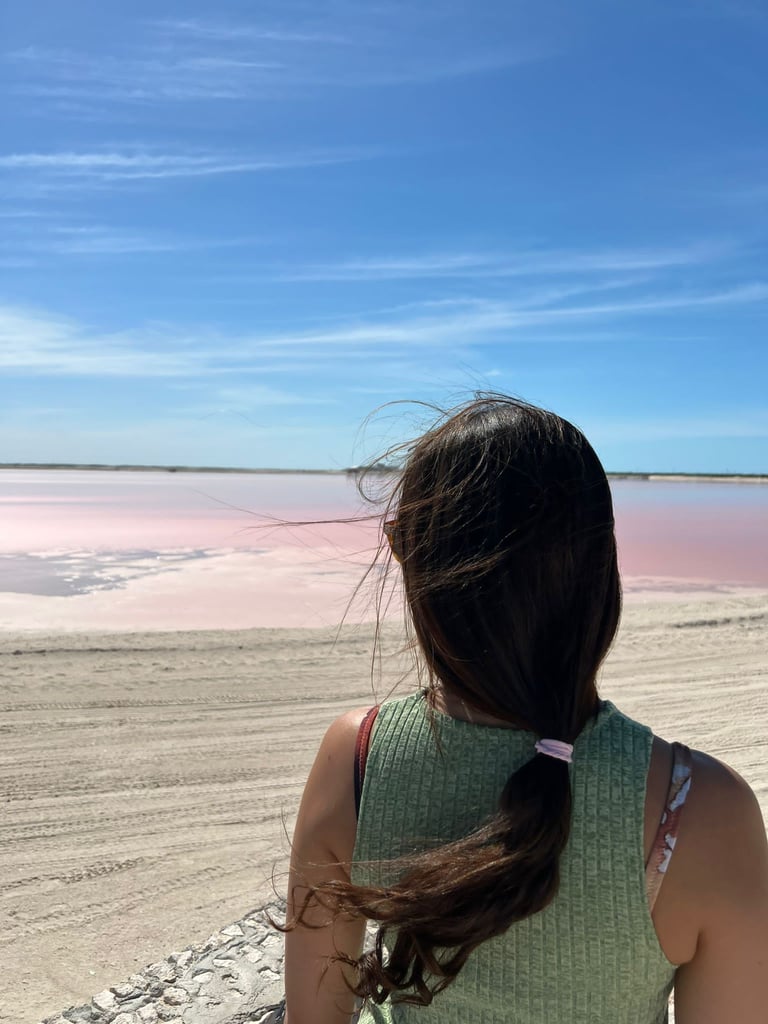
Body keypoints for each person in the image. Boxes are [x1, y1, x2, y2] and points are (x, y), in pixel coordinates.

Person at [281, 395, 768, 1023]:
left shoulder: (358, 755)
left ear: (415, 561)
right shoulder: (701, 807)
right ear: (600, 569)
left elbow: (314, 1016)